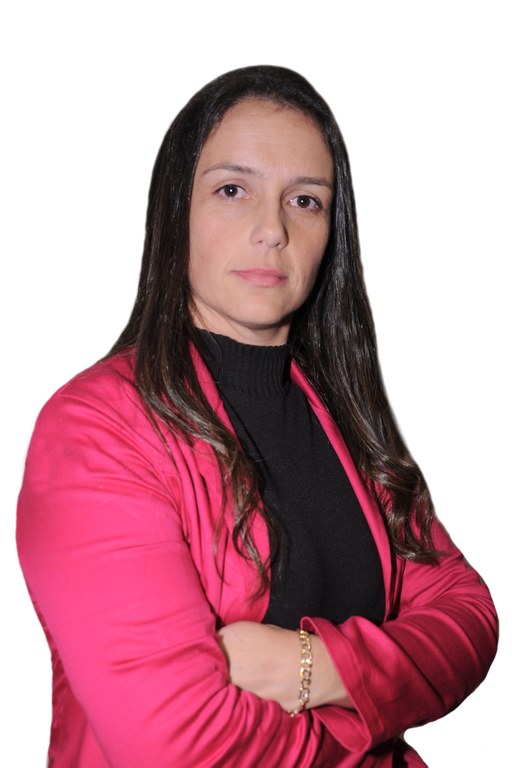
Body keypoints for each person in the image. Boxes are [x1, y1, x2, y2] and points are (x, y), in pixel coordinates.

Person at [17, 65, 498, 767]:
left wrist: (314, 666)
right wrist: (375, 718)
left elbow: (467, 617)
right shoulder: (96, 430)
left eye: (305, 200)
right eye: (232, 190)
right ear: (175, 210)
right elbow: (176, 747)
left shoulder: (345, 414)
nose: (272, 229)